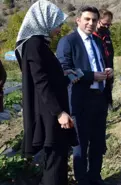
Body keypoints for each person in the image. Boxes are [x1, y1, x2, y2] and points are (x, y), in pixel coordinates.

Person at [14, 1, 77, 184]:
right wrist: (59, 112)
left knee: (57, 161)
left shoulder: (39, 44)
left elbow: (48, 78)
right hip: (50, 116)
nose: (59, 29)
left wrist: (66, 75)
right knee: (54, 165)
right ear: (44, 20)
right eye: (57, 24)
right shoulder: (34, 44)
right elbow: (40, 82)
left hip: (52, 113)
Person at [56, 6, 113, 185]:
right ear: (78, 20)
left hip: (99, 98)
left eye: (94, 20)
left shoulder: (96, 42)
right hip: (80, 101)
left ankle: (95, 177)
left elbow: (98, 64)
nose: (91, 23)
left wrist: (106, 72)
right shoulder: (68, 41)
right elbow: (64, 71)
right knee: (81, 146)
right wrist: (91, 76)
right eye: (87, 19)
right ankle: (82, 180)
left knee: (98, 143)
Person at [93, 9, 114, 106]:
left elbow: (110, 53)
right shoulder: (91, 37)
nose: (106, 27)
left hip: (108, 71)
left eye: (109, 25)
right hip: (96, 75)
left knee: (107, 93)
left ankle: (109, 106)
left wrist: (111, 68)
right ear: (97, 20)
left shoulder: (107, 35)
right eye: (105, 24)